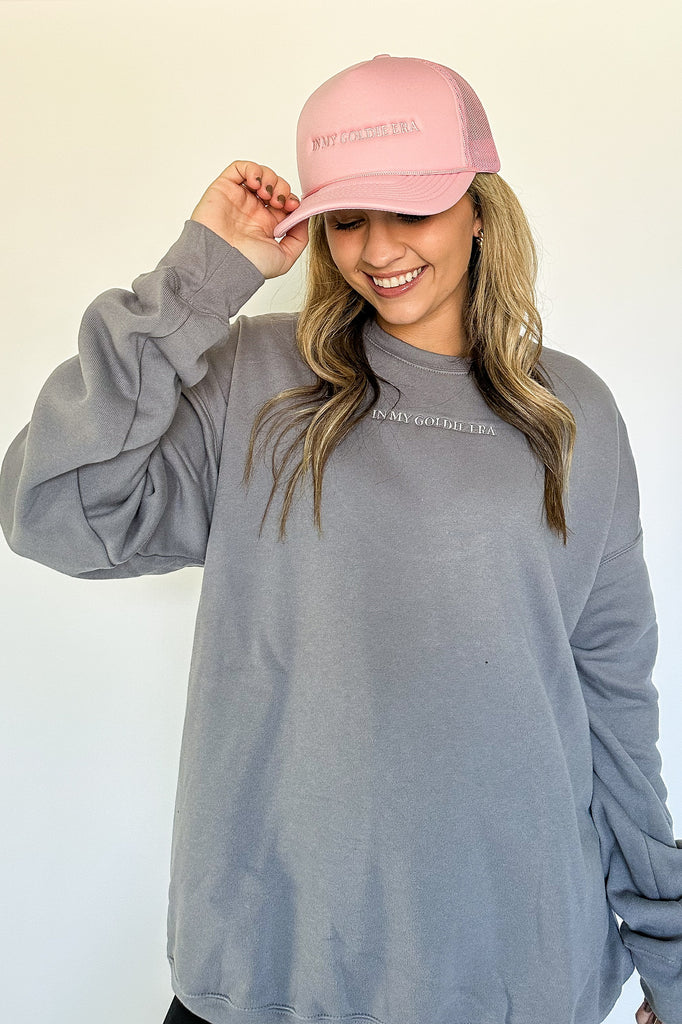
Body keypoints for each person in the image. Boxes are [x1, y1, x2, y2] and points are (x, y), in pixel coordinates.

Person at [0, 54, 680, 1024]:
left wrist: (668, 948)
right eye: (348, 218)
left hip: (510, 969)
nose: (378, 248)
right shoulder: (254, 380)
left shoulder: (572, 412)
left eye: (412, 210)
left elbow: (613, 697)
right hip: (273, 972)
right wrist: (201, 276)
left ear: (478, 208)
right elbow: (52, 509)